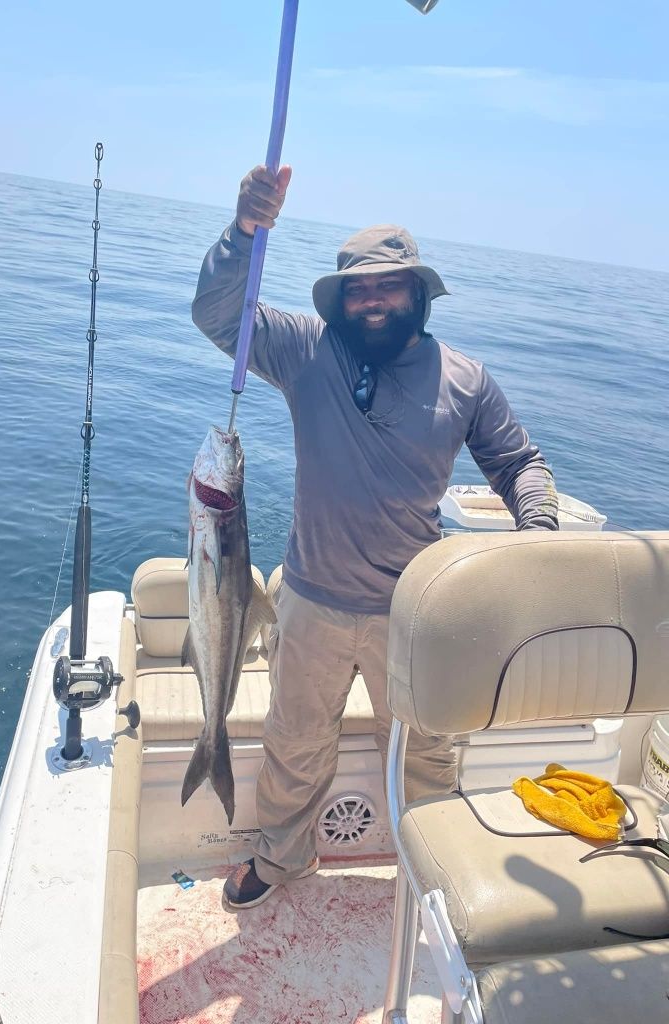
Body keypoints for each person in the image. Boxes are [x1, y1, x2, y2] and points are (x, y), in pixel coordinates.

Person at [192, 165, 559, 910]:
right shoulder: (305, 350)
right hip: (310, 603)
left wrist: (540, 537)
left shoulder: (466, 379)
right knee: (293, 747)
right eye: (358, 288)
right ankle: (281, 857)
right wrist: (243, 233)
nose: (372, 299)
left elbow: (518, 464)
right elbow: (219, 318)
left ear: (417, 293)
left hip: (418, 610)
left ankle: (435, 866)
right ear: (341, 300)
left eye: (387, 286)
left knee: (425, 753)